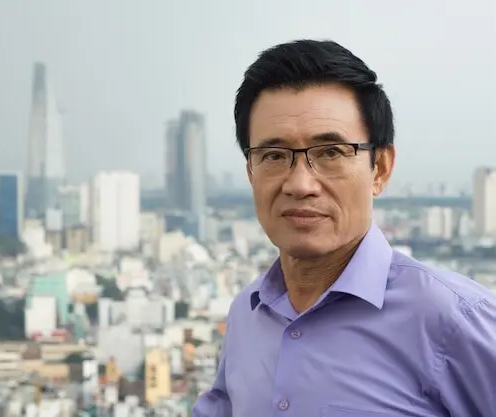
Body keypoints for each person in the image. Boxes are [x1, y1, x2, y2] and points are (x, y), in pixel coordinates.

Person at [192, 39, 496, 417]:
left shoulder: (452, 320)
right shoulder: (248, 314)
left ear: (379, 169)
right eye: (273, 155)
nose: (300, 184)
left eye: (331, 152)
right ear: (251, 172)